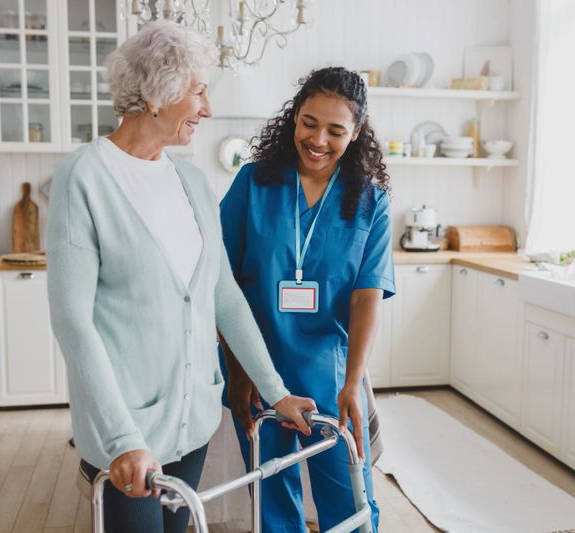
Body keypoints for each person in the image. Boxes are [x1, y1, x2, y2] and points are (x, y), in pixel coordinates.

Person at [46, 20, 316, 533]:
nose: (208, 108)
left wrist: (276, 392)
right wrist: (124, 438)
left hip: (193, 423)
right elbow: (72, 321)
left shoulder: (191, 181)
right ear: (157, 94)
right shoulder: (83, 177)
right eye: (199, 92)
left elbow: (225, 297)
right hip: (128, 432)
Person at [220, 67, 395, 533]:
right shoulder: (253, 183)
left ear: (355, 134)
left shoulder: (371, 202)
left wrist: (353, 384)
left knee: (352, 500)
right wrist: (239, 372)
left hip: (330, 375)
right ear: (293, 119)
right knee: (273, 504)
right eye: (308, 123)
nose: (317, 139)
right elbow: (220, 282)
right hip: (259, 370)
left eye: (335, 130)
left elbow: (366, 297)